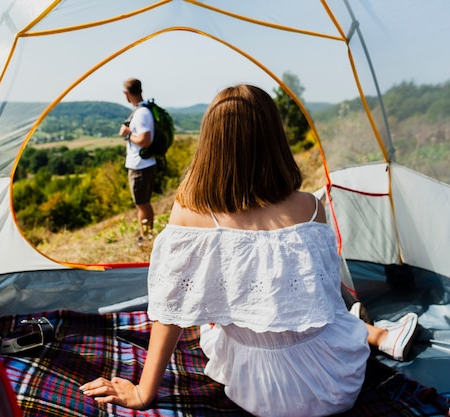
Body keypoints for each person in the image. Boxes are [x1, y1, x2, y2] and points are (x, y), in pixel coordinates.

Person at [80, 84, 416, 416]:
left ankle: (373, 332)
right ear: (274, 139)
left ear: (210, 143)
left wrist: (143, 392)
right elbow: (323, 302)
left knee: (213, 323)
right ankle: (377, 333)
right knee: (335, 308)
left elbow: (170, 313)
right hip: (333, 383)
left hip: (260, 390)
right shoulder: (311, 208)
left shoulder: (190, 212)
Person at [120, 78, 156, 245]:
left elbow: (145, 140)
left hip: (140, 166)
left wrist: (128, 134)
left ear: (126, 94)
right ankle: (147, 234)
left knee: (141, 204)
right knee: (144, 203)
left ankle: (145, 237)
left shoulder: (141, 113)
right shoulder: (144, 109)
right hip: (145, 163)